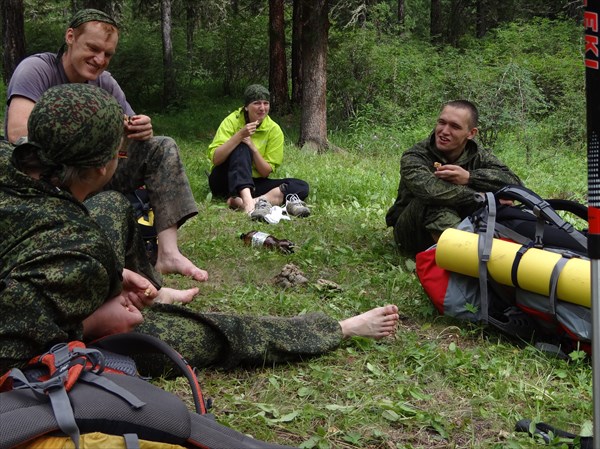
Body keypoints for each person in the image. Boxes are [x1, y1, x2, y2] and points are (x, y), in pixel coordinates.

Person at [0, 84, 400, 376]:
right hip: (56, 316)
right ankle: (337, 329)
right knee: (205, 335)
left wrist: (114, 273)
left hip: (55, 268)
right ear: (106, 165)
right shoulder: (75, 251)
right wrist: (89, 325)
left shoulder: (11, 162)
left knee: (113, 205)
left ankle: (151, 286)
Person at [3, 8, 208, 282]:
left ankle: (168, 252)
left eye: (108, 54)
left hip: (96, 171)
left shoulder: (105, 82)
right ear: (70, 36)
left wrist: (140, 128)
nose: (100, 60)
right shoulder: (36, 69)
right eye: (93, 48)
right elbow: (18, 134)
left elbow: (128, 128)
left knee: (162, 146)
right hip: (48, 173)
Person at [385, 100, 522, 257]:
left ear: (471, 133)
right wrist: (482, 198)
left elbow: (515, 184)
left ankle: (500, 252)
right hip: (412, 231)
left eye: (455, 127)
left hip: (464, 220)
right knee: (433, 202)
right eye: (441, 123)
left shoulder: (478, 155)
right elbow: (432, 192)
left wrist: (469, 177)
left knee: (506, 203)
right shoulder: (415, 156)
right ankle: (468, 256)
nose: (444, 131)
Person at [207, 84, 311, 221]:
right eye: (256, 103)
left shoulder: (274, 129)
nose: (262, 108)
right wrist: (239, 136)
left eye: (266, 103)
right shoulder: (232, 121)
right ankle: (249, 206)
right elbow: (216, 159)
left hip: (254, 182)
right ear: (246, 106)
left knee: (301, 186)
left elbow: (265, 172)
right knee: (241, 147)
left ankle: (242, 202)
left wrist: (254, 149)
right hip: (224, 180)